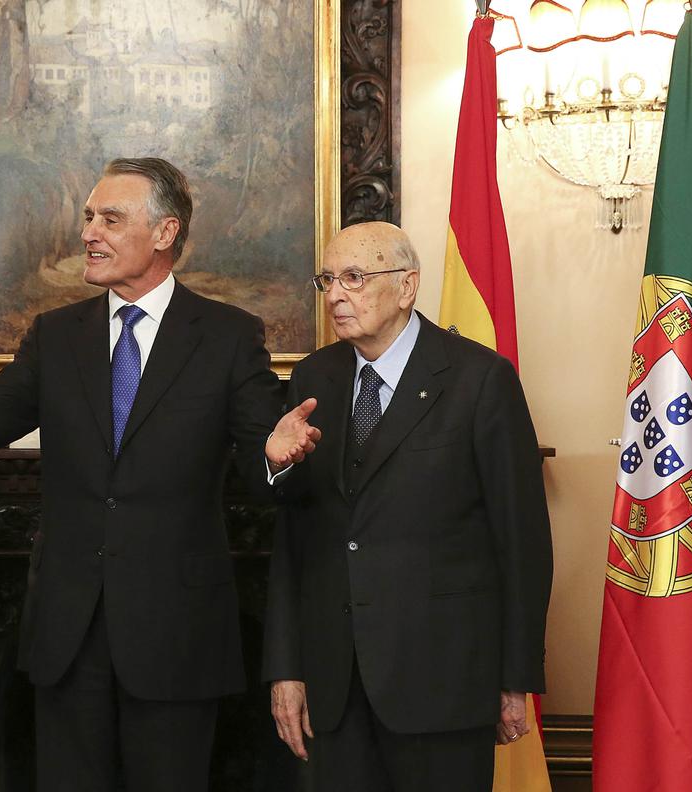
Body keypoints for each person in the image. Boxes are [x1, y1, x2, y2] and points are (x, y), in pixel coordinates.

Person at [0, 157, 290, 791]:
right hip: (68, 634)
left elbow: (264, 474)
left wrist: (276, 456)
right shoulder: (57, 335)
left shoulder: (230, 336)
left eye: (111, 219)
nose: (89, 232)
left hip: (178, 636)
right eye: (89, 216)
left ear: (164, 232)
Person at [261, 221, 553, 791]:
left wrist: (515, 677)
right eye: (328, 280)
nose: (337, 295)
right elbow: (295, 539)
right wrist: (286, 669)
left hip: (444, 680)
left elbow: (522, 540)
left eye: (354, 277)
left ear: (407, 286)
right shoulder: (314, 377)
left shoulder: (479, 379)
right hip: (335, 684)